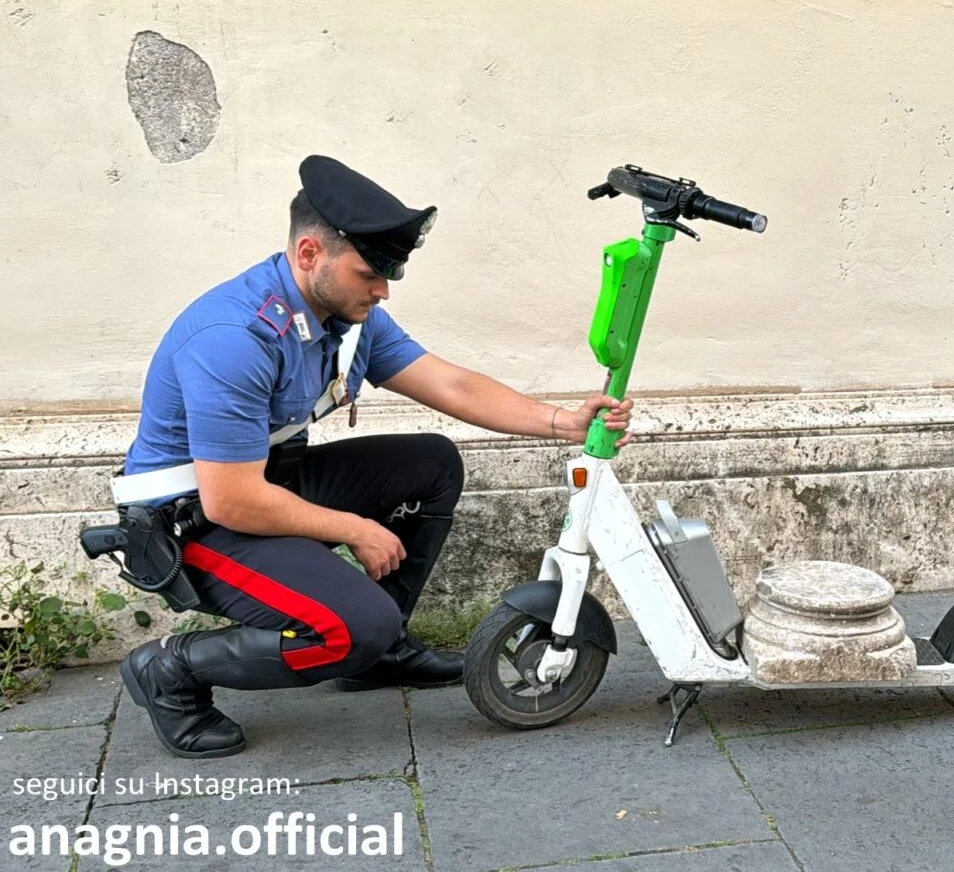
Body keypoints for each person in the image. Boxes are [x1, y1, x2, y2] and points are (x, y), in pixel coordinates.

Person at [111, 154, 634, 760]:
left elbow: (451, 385)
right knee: (357, 626)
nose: (383, 290)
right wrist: (353, 528)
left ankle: (380, 653)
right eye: (369, 274)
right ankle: (170, 669)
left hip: (265, 485)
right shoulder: (234, 338)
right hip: (195, 521)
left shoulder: (347, 318)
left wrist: (562, 421)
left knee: (432, 463)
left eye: (390, 273)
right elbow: (231, 500)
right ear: (310, 253)